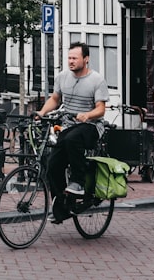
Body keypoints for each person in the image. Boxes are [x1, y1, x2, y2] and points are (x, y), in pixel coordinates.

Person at [34, 42, 109, 222]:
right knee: (52, 165)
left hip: (91, 126)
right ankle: (62, 207)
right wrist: (41, 112)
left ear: (86, 59)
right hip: (68, 126)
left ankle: (78, 182)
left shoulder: (97, 80)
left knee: (72, 139)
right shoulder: (62, 77)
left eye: (75, 58)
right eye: (69, 58)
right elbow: (55, 99)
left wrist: (87, 115)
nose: (71, 61)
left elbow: (101, 109)